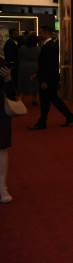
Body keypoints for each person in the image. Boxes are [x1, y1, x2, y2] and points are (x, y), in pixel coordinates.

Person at [29, 26, 73, 130]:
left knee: (46, 102)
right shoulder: (48, 45)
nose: (39, 35)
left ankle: (42, 122)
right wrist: (37, 74)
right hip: (50, 79)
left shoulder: (50, 46)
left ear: (46, 33)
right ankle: (69, 116)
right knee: (53, 100)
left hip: (48, 80)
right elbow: (45, 64)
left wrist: (44, 80)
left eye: (40, 33)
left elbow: (49, 65)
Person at [1, 58, 15, 203]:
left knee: (2, 148)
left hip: (1, 113)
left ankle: (2, 186)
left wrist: (7, 78)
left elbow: (11, 94)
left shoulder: (1, 63)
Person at [17, 32, 40, 106]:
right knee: (34, 83)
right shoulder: (39, 49)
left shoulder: (22, 48)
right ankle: (34, 99)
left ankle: (22, 99)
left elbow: (18, 58)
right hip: (35, 66)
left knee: (23, 82)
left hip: (23, 66)